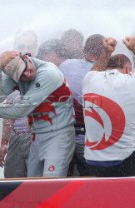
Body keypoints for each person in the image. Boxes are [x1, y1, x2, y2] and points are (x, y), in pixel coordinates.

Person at [0, 50, 75, 177]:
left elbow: (22, 109)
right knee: (33, 187)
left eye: (25, 69)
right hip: (37, 136)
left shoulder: (48, 72)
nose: (27, 74)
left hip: (59, 136)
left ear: (26, 58)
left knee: (51, 185)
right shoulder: (16, 75)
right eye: (21, 76)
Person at [82, 36, 135, 177]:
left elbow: (96, 69)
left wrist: (106, 52)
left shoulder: (89, 79)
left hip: (93, 161)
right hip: (125, 160)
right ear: (128, 69)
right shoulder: (130, 82)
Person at [59, 34, 104, 176]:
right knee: (92, 183)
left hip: (63, 136)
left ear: (84, 50)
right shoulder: (106, 74)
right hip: (90, 141)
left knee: (63, 185)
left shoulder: (66, 65)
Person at [0, 30, 37, 178]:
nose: (25, 49)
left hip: (38, 137)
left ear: (36, 47)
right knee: (13, 182)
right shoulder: (9, 73)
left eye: (29, 45)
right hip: (16, 138)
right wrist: (4, 143)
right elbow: (8, 111)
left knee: (38, 185)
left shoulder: (43, 71)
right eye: (21, 45)